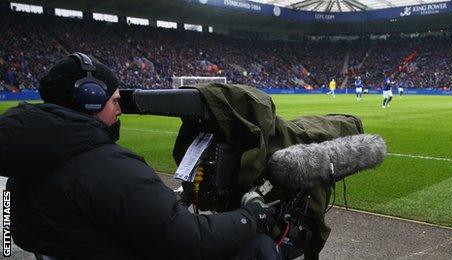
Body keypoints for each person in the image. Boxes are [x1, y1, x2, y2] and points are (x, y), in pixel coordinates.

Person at [0, 53, 280, 259]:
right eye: (114, 101)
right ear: (89, 99)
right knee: (260, 248)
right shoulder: (110, 168)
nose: (120, 110)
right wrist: (249, 216)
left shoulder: (21, 167)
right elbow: (191, 240)